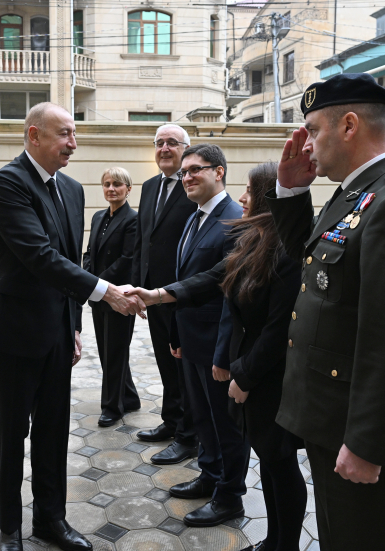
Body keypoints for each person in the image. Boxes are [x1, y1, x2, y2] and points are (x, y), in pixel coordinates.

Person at [267, 73, 385, 551]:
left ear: (349, 125)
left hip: (368, 438)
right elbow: (315, 267)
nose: (305, 144)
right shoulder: (355, 193)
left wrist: (368, 445)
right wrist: (289, 192)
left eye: (312, 129)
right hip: (336, 422)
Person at [0, 102, 145, 551]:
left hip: (56, 331)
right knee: (12, 436)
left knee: (53, 432)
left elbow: (69, 264)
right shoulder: (7, 183)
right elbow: (40, 257)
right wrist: (107, 292)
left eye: (74, 133)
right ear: (34, 136)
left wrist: (74, 326)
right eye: (64, 133)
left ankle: (51, 520)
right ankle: (11, 529)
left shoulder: (70, 188)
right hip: (11, 332)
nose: (73, 142)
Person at [129, 163, 308, 551]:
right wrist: (156, 295)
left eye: (249, 191)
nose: (242, 198)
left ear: (268, 199)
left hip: (272, 377)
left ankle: (285, 545)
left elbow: (279, 330)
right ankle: (273, 541)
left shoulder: (287, 251)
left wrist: (242, 376)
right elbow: (212, 277)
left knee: (281, 464)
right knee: (272, 464)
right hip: (255, 373)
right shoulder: (256, 240)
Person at [161, 143, 248, 526]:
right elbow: (186, 277)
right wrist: (177, 335)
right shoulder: (195, 216)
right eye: (184, 172)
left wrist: (224, 355)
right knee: (202, 418)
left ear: (220, 172)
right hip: (192, 339)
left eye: (196, 169)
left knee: (225, 424)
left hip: (218, 345)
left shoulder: (235, 219)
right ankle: (210, 476)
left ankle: (230, 496)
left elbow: (227, 290)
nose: (187, 177)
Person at [131, 124, 199, 465]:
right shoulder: (148, 187)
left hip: (181, 295)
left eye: (172, 142)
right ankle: (171, 421)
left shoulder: (193, 187)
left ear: (185, 149)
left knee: (185, 368)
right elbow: (145, 242)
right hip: (152, 295)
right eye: (159, 143)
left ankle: (189, 434)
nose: (164, 148)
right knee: (164, 363)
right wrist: (139, 289)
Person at [83, 167, 141, 427]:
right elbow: (89, 253)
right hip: (98, 295)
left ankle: (112, 408)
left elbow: (127, 259)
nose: (111, 189)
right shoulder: (97, 217)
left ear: (128, 189)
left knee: (115, 351)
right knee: (108, 351)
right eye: (107, 184)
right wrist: (85, 278)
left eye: (117, 184)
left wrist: (99, 283)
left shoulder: (133, 219)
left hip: (119, 295)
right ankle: (129, 397)